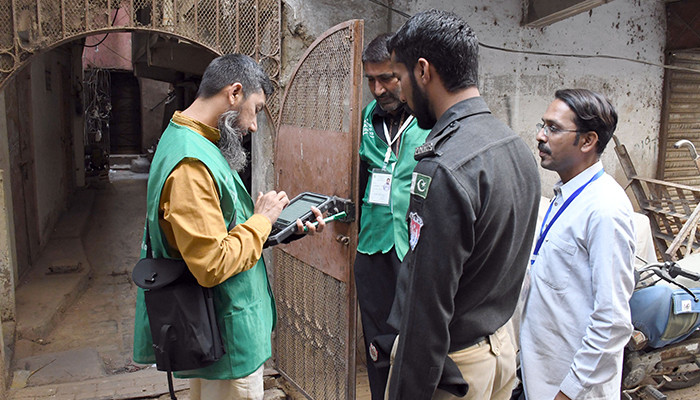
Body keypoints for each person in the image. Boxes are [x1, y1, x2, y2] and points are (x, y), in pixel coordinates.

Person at [132, 54, 324, 400]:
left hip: (217, 333)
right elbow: (211, 263)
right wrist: (261, 219)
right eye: (256, 109)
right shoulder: (191, 163)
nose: (253, 126)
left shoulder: (195, 140)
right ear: (234, 93)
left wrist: (279, 227)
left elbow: (222, 230)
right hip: (224, 337)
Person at [384, 9, 541, 400]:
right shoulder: (515, 147)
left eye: (400, 77)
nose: (400, 92)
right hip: (501, 353)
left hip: (453, 367)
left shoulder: (443, 166)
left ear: (423, 71)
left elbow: (427, 304)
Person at [519, 89, 636, 400]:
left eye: (554, 128)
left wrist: (568, 393)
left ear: (588, 141)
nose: (541, 136)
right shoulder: (563, 197)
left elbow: (612, 322)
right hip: (539, 379)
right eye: (542, 125)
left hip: (571, 390)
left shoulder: (605, 209)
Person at [354, 33, 431, 400]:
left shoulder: (428, 119)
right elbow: (363, 174)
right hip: (372, 245)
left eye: (386, 78)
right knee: (376, 340)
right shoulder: (369, 118)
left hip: (412, 247)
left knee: (412, 338)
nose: (378, 88)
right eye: (370, 80)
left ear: (406, 73)